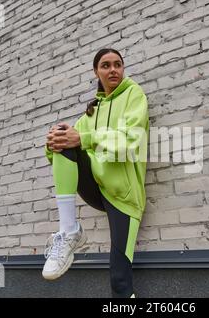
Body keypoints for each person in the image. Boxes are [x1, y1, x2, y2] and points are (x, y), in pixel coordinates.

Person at [42, 48, 149, 298]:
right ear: (96, 72)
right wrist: (52, 143)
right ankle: (69, 232)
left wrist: (84, 137)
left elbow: (130, 142)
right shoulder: (92, 111)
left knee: (120, 280)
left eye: (118, 64)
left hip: (124, 197)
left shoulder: (134, 95)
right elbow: (66, 148)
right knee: (62, 135)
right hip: (96, 187)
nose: (113, 69)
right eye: (106, 65)